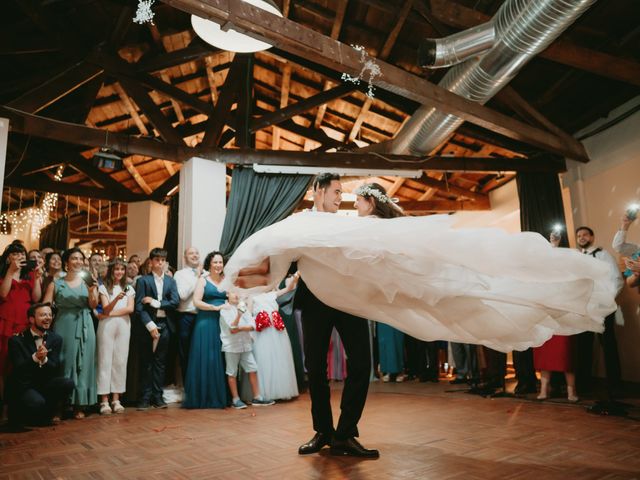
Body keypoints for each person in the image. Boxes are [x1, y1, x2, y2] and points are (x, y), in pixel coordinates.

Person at [43, 248, 99, 419]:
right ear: (66, 262)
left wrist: (91, 291)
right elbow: (45, 305)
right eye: (74, 258)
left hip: (85, 324)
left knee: (85, 364)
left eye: (81, 259)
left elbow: (93, 305)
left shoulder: (88, 281)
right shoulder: (56, 283)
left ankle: (79, 405)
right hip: (64, 324)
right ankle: (59, 405)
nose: (78, 261)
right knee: (63, 364)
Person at [5, 303, 74, 431]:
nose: (48, 318)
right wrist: (35, 357)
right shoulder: (16, 340)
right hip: (24, 385)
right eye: (43, 315)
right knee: (36, 402)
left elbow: (55, 367)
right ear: (31, 319)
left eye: (49, 315)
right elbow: (19, 370)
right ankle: (22, 416)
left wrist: (45, 359)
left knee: (67, 383)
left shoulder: (56, 338)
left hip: (44, 383)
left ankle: (45, 415)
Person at [571, 226, 624, 395]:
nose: (581, 237)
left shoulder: (603, 255)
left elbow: (617, 279)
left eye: (585, 234)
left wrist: (606, 302)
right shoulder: (577, 258)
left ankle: (615, 386)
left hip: (602, 308)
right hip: (583, 309)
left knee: (608, 345)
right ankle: (585, 386)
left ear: (592, 237)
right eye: (579, 235)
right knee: (583, 347)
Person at [134, 248, 179, 410]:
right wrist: (150, 325)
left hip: (165, 324)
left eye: (163, 260)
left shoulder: (170, 281)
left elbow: (174, 302)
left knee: (160, 363)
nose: (160, 262)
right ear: (151, 262)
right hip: (148, 325)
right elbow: (139, 307)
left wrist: (155, 302)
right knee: (146, 362)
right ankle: (144, 398)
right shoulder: (143, 281)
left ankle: (158, 397)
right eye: (157, 259)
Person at [0, 241, 43, 412]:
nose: (20, 257)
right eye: (16, 254)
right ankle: (3, 406)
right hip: (5, 322)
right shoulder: (4, 274)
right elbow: (3, 294)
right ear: (8, 257)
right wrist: (11, 271)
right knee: (3, 365)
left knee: (23, 363)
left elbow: (36, 298)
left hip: (24, 323)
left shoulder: (29, 275)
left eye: (22, 254)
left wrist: (38, 278)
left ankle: (21, 406)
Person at [182, 251, 228, 409]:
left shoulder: (227, 280)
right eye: (215, 262)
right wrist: (214, 308)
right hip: (207, 322)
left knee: (223, 358)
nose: (218, 265)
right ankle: (204, 396)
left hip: (224, 322)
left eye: (220, 262)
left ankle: (224, 394)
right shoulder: (203, 280)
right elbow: (196, 301)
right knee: (208, 357)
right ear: (210, 264)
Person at [220, 292, 274, 409]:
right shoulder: (224, 310)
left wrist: (239, 327)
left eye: (237, 292)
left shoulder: (243, 307)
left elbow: (252, 326)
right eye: (233, 292)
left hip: (246, 344)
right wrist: (239, 316)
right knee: (232, 372)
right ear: (227, 294)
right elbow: (232, 329)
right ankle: (236, 399)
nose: (236, 295)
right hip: (231, 346)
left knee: (253, 369)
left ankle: (257, 397)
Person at [250, 274, 300, 401]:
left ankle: (280, 390)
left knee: (279, 359)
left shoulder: (273, 294)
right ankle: (263, 392)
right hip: (261, 331)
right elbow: (249, 314)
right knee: (263, 358)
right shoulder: (252, 297)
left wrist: (295, 277)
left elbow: (288, 289)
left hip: (276, 330)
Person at [97, 259, 135, 414]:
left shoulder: (128, 288)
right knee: (105, 360)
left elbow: (130, 309)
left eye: (121, 269)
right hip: (106, 326)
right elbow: (105, 307)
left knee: (120, 360)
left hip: (123, 325)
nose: (119, 272)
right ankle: (104, 401)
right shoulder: (103, 287)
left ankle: (116, 399)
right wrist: (115, 301)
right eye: (116, 269)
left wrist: (109, 314)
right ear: (111, 271)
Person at [174, 247, 202, 380]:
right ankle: (188, 387)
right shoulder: (180, 274)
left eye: (197, 253)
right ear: (185, 257)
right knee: (185, 353)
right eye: (191, 253)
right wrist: (197, 278)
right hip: (186, 317)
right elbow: (183, 295)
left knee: (200, 353)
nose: (195, 255)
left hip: (203, 317)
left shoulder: (206, 274)